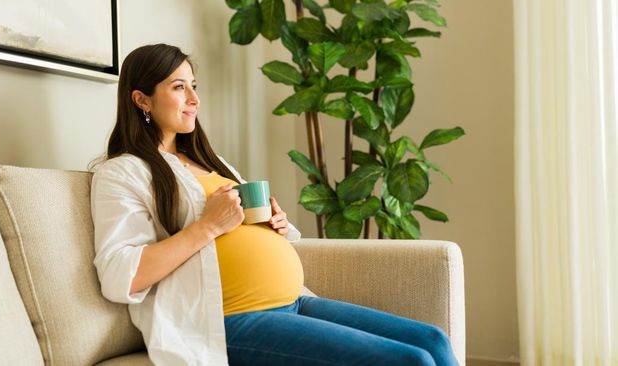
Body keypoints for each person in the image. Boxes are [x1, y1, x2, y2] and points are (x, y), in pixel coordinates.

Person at [90, 43, 459, 366]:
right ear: (141, 99)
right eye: (178, 86)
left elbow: (245, 232)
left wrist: (276, 226)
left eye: (194, 86)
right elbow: (121, 274)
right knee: (410, 361)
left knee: (433, 342)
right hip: (230, 318)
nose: (194, 99)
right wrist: (208, 226)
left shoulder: (212, 161)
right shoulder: (123, 172)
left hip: (294, 300)